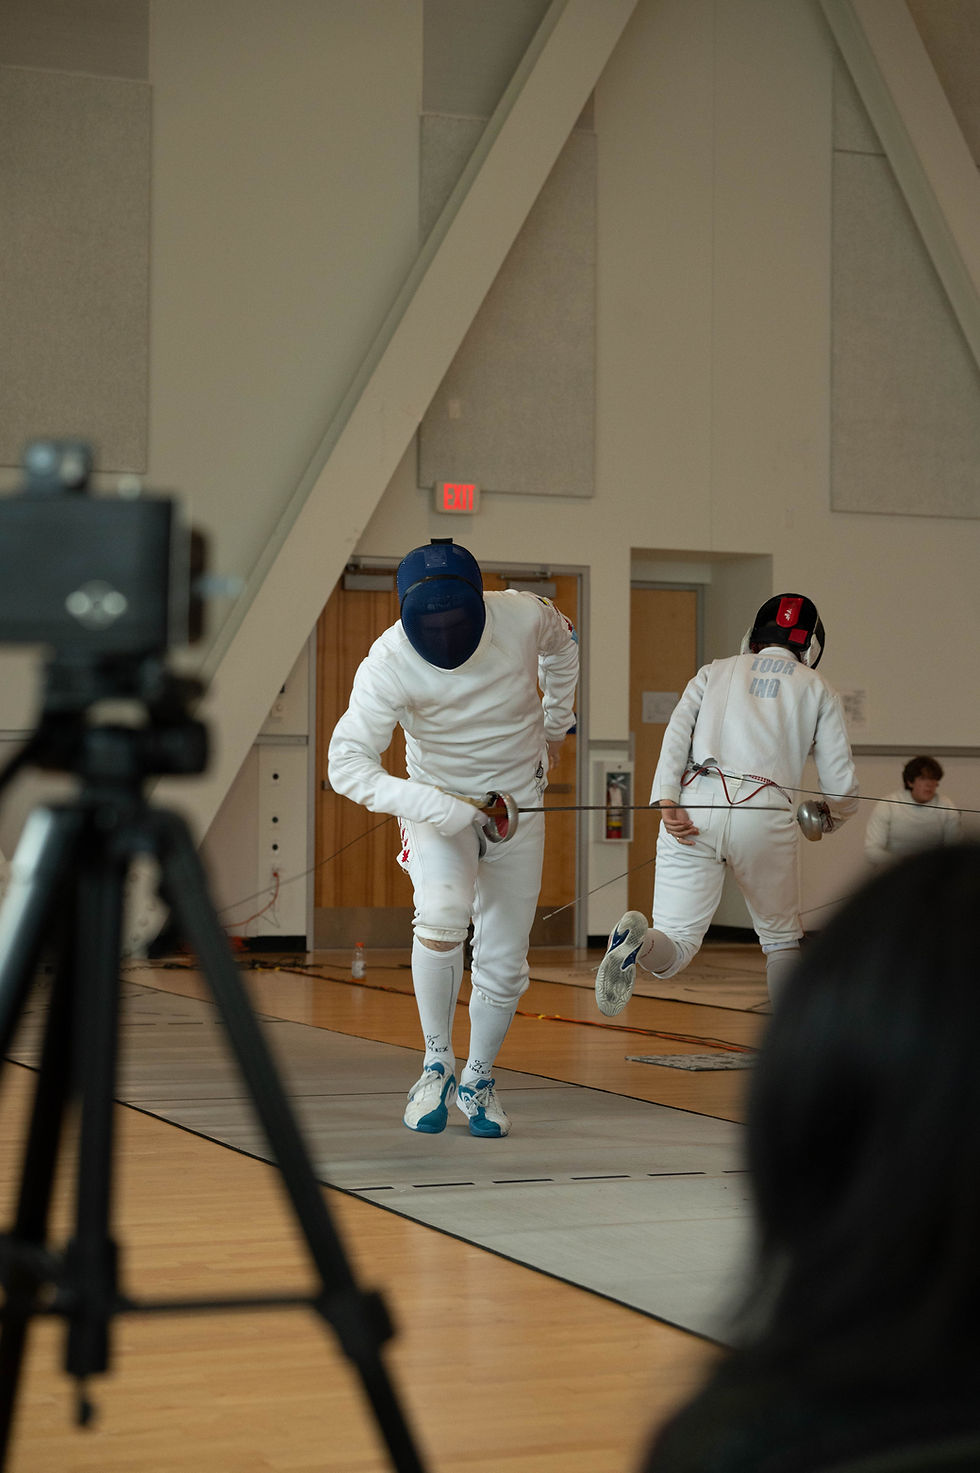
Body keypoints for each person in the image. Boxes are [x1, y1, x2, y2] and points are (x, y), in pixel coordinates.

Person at [638, 842, 980, 1472]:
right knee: (773, 938)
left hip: (700, 828)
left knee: (685, 942)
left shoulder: (740, 1442)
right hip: (749, 824)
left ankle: (645, 947)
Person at [327, 537, 578, 1139]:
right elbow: (346, 764)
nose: (444, 632)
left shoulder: (523, 614)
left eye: (456, 618)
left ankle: (479, 1077)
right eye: (430, 622)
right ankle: (435, 1064)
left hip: (517, 806)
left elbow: (564, 645)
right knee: (441, 915)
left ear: (479, 602)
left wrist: (556, 724)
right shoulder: (387, 661)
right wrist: (433, 805)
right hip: (437, 808)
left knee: (505, 959)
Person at [596, 594, 858, 1013]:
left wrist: (667, 800)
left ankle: (639, 943)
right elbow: (841, 789)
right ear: (811, 645)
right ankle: (787, 1040)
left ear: (753, 636)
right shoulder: (817, 687)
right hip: (765, 813)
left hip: (692, 809)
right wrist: (832, 817)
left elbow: (676, 735)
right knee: (780, 941)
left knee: (676, 944)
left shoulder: (714, 671)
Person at [864, 754, 961, 866]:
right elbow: (872, 850)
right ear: (910, 782)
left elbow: (955, 848)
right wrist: (900, 864)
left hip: (934, 870)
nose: (929, 784)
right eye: (923, 778)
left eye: (932, 779)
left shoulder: (947, 806)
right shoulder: (888, 805)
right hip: (896, 870)